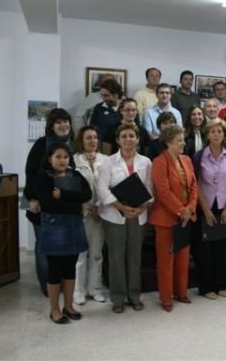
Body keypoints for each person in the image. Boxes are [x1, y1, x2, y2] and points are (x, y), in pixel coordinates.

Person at [97, 124, 152, 313]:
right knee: (116, 257)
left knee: (135, 256)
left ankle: (134, 296)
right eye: (124, 136)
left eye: (131, 136)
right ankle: (118, 298)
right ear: (118, 140)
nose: (128, 139)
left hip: (138, 215)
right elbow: (102, 189)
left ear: (137, 139)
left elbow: (149, 187)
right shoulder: (108, 162)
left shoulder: (146, 162)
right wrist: (121, 207)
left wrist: (141, 207)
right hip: (114, 216)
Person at [35, 143, 91, 324]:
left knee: (70, 267)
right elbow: (48, 204)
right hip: (54, 226)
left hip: (74, 226)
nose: (62, 160)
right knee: (54, 269)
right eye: (58, 157)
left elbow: (87, 195)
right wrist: (73, 204)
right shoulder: (44, 177)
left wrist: (63, 195)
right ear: (49, 159)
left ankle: (68, 306)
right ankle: (54, 310)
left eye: (65, 157)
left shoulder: (76, 175)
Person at [24, 108, 76, 296]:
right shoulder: (42, 144)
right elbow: (30, 173)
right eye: (58, 122)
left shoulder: (73, 145)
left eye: (66, 121)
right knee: (44, 246)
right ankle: (47, 285)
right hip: (41, 204)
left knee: (62, 246)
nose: (63, 125)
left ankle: (59, 281)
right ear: (51, 126)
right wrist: (32, 198)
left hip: (64, 206)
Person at [149, 125, 198, 311]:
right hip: (166, 219)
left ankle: (181, 291)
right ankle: (166, 297)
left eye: (183, 140)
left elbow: (194, 186)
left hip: (185, 217)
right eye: (179, 140)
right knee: (166, 261)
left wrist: (190, 208)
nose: (183, 143)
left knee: (183, 258)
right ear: (169, 142)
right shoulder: (159, 162)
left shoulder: (186, 159)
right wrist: (181, 210)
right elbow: (163, 192)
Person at [192, 119, 226, 299]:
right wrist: (206, 210)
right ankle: (207, 288)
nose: (216, 134)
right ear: (208, 135)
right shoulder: (199, 157)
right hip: (206, 206)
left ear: (224, 134)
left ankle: (221, 284)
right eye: (213, 131)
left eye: (220, 131)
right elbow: (195, 186)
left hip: (225, 206)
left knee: (222, 249)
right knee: (205, 250)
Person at [72, 126, 108, 305]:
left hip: (100, 213)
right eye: (88, 138)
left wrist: (99, 207)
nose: (92, 141)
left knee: (96, 254)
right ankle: (78, 291)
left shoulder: (106, 160)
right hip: (81, 214)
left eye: (95, 137)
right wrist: (86, 207)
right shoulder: (74, 160)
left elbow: (109, 186)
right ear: (81, 140)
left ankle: (95, 289)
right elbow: (73, 188)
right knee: (80, 255)